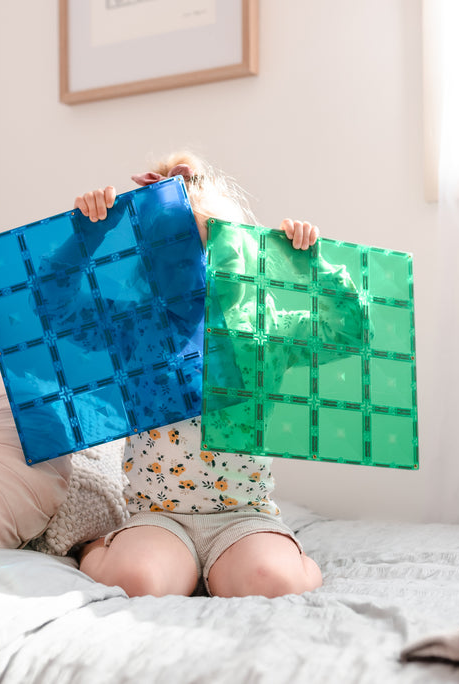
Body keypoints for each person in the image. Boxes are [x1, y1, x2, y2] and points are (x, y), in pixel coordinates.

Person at [72, 151, 337, 599]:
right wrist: (84, 240)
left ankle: (277, 558)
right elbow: (54, 311)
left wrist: (313, 267)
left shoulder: (266, 327)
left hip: (243, 515)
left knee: (276, 584)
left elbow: (351, 329)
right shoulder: (136, 329)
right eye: (181, 258)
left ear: (245, 256)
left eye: (219, 251)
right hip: (158, 516)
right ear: (152, 270)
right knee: (136, 582)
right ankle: (97, 547)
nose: (203, 269)